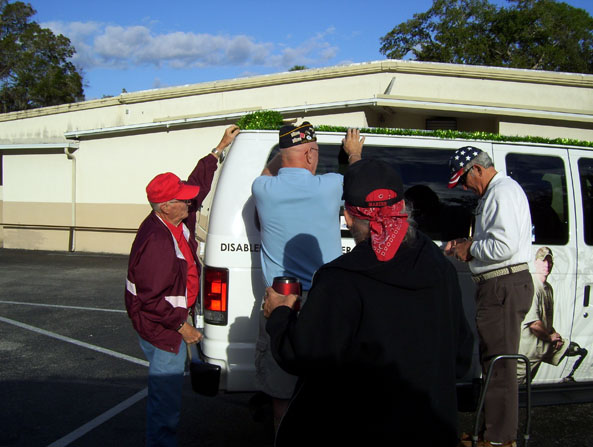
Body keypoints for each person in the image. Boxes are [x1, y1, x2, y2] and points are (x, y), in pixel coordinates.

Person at [263, 159, 473, 447]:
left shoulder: (341, 279)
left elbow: (304, 356)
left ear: (348, 217)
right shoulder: (440, 267)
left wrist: (279, 314)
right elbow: (460, 359)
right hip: (432, 429)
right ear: (403, 208)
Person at [125, 125, 239, 447]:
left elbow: (196, 186)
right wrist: (182, 327)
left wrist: (218, 149)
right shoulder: (157, 243)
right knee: (165, 399)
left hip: (168, 320)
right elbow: (151, 300)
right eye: (182, 199)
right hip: (163, 328)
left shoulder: (176, 219)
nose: (190, 201)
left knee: (167, 394)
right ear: (165, 206)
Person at [251, 122, 364, 432]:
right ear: (312, 155)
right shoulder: (330, 185)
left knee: (282, 397)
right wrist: (354, 154)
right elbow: (361, 183)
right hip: (323, 305)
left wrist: (288, 147)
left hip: (280, 303)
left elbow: (271, 169)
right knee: (327, 394)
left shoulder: (262, 189)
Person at [444, 147, 533, 447]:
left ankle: (498, 440)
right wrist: (469, 243)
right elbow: (498, 240)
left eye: (464, 180)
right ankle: (490, 435)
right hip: (501, 285)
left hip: (502, 285)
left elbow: (504, 246)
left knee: (500, 366)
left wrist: (470, 248)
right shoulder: (499, 191)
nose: (464, 187)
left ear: (478, 169)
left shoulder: (501, 192)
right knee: (494, 364)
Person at [518, 247, 588, 384]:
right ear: (536, 263)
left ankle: (569, 380)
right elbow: (534, 325)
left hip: (542, 344)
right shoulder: (532, 287)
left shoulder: (548, 288)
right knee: (517, 387)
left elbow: (546, 320)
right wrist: (550, 338)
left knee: (576, 349)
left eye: (549, 261)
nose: (547, 265)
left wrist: (555, 336)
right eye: (543, 261)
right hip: (528, 349)